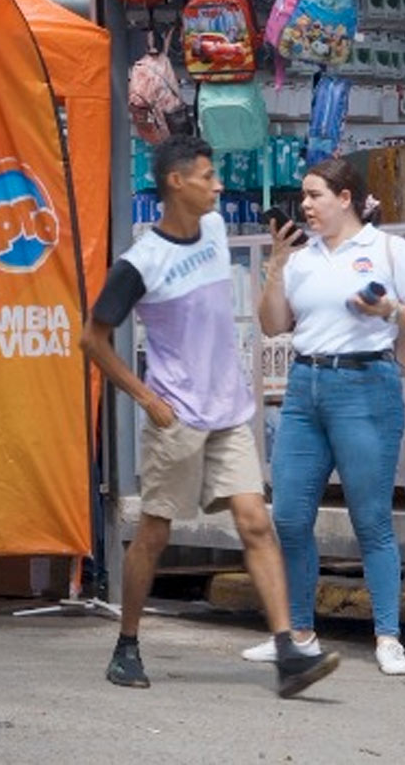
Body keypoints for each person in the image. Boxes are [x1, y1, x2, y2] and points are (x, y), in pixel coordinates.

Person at [81, 135, 338, 697]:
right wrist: (146, 398)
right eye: (207, 176)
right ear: (177, 183)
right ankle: (127, 644)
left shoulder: (218, 228)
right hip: (176, 415)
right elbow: (93, 339)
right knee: (154, 531)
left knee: (254, 520)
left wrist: (278, 259)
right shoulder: (140, 261)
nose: (218, 184)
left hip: (228, 411)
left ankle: (288, 654)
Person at [256, 157, 405, 675]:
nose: (306, 205)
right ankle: (298, 633)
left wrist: (391, 312)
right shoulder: (301, 257)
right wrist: (276, 263)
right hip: (305, 386)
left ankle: (388, 635)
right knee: (289, 515)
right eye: (304, 195)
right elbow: (274, 324)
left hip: (367, 385)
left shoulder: (389, 250)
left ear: (345, 198)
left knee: (371, 520)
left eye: (315, 195)